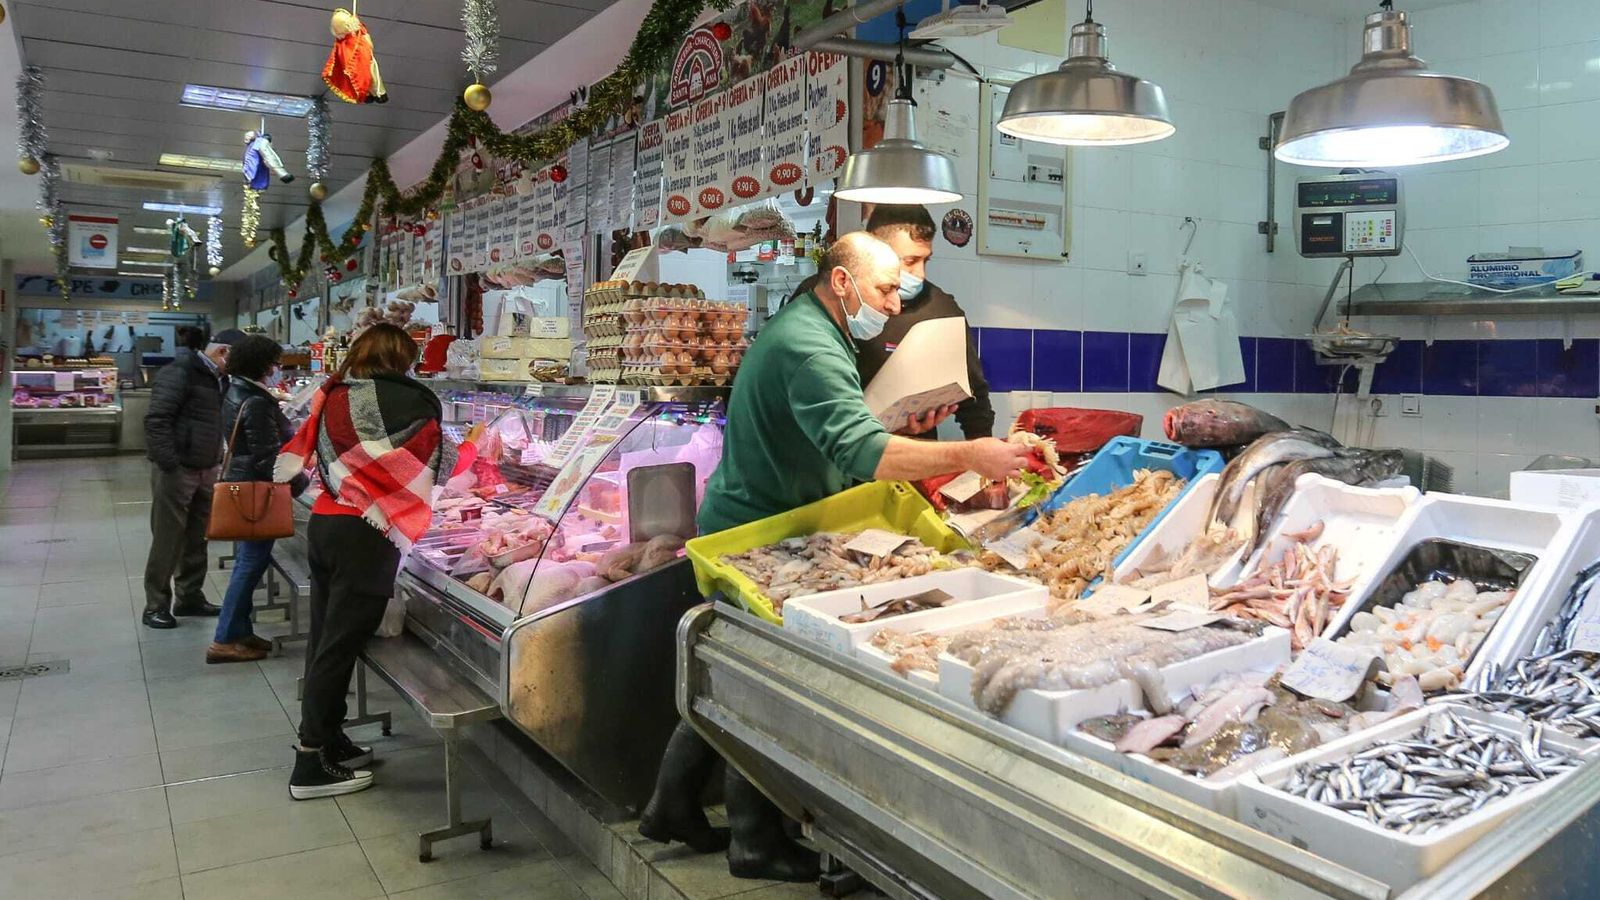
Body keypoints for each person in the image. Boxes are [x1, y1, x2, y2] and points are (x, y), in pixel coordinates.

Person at [639, 233, 1031, 882]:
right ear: (843, 284)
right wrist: (970, 453)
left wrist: (901, 425)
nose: (892, 302)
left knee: (731, 667)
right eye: (883, 290)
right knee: (760, 682)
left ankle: (671, 804)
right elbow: (862, 455)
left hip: (770, 520)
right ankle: (754, 840)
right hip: (758, 532)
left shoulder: (813, 330)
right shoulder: (809, 344)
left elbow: (833, 430)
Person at [274, 324, 465, 799]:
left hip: (327, 522)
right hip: (367, 533)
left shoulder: (334, 394)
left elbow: (338, 459)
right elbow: (436, 460)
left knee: (327, 636)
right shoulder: (413, 401)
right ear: (403, 359)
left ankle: (330, 739)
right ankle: (310, 759)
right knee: (340, 644)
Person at [790, 204, 994, 439]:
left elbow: (974, 398)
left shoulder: (943, 310)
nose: (920, 274)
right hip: (829, 456)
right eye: (909, 261)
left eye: (925, 260)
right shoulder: (822, 296)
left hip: (907, 462)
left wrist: (983, 456)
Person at [208, 335, 306, 664]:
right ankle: (225, 638)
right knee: (250, 564)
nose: (278, 369)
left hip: (245, 483)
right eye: (276, 363)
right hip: (256, 492)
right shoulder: (256, 401)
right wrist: (301, 482)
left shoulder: (234, 390)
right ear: (263, 364)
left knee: (250, 563)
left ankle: (239, 629)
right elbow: (268, 459)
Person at [142, 326, 245, 629]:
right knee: (168, 538)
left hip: (206, 468)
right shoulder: (181, 372)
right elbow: (157, 420)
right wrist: (170, 464)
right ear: (223, 352)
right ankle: (155, 605)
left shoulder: (219, 378)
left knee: (198, 536)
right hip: (178, 469)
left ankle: (189, 597)